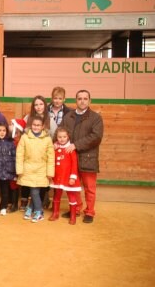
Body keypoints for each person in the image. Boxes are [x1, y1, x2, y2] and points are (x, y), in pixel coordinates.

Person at [59, 89, 104, 224]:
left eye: (85, 98)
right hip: (70, 157)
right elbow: (60, 131)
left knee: (90, 188)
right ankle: (76, 208)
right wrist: (56, 142)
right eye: (80, 98)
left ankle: (89, 212)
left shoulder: (95, 118)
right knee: (73, 186)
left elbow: (96, 137)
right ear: (76, 100)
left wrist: (76, 145)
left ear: (89, 101)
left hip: (87, 157)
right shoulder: (69, 116)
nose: (82, 101)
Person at [16, 116, 55, 223]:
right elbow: (20, 154)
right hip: (28, 168)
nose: (36, 127)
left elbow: (51, 157)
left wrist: (50, 172)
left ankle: (39, 211)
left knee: (34, 191)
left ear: (43, 126)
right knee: (34, 191)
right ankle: (31, 208)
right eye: (34, 125)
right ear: (30, 125)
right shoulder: (25, 137)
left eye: (38, 125)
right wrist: (19, 170)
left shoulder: (47, 139)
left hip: (42, 169)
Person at [48, 127, 81, 225]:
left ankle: (73, 216)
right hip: (57, 177)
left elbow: (74, 164)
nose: (62, 139)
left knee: (71, 196)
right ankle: (55, 213)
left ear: (68, 137)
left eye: (64, 137)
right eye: (59, 137)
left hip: (68, 177)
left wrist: (73, 177)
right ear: (56, 137)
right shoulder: (55, 148)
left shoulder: (70, 149)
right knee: (56, 195)